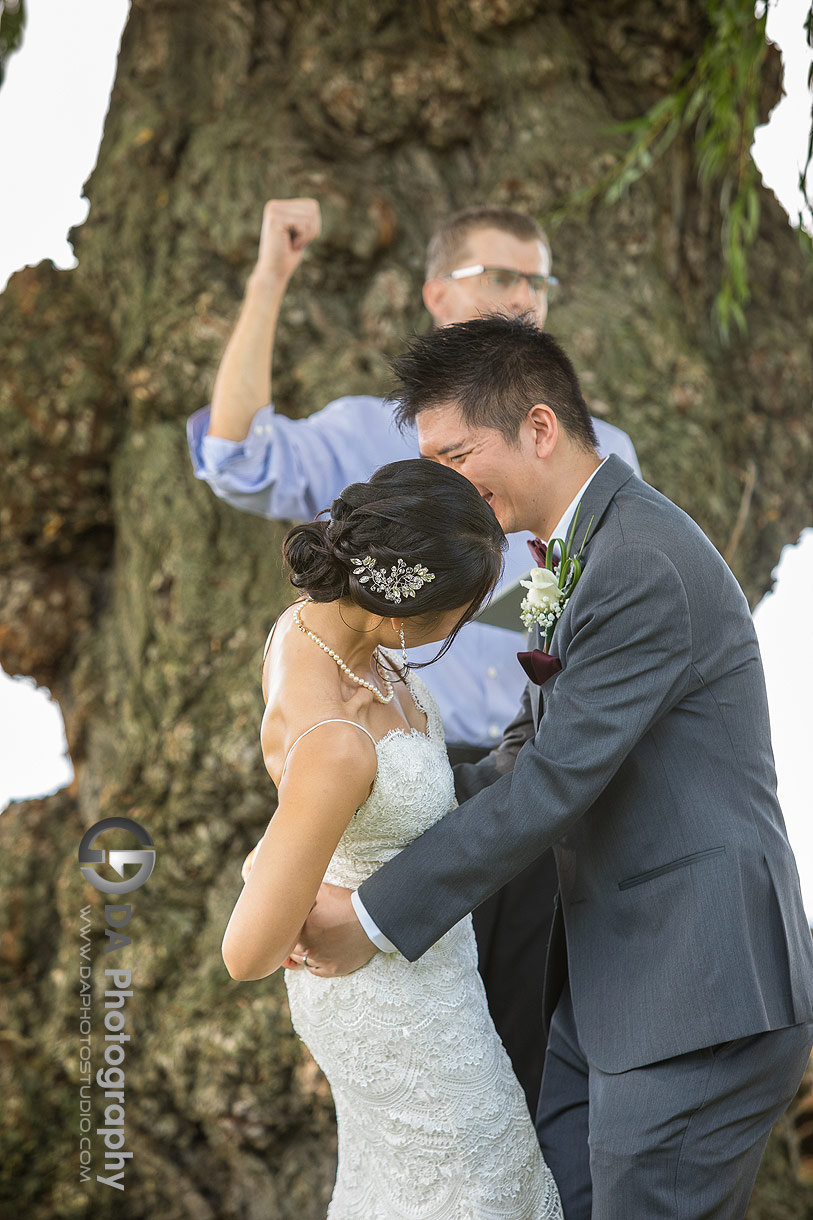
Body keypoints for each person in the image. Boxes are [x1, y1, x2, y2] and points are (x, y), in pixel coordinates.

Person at [291, 316, 813, 1220]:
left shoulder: (636, 562)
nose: (441, 488)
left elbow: (552, 786)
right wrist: (374, 799)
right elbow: (522, 753)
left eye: (456, 456)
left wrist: (372, 915)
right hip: (609, 991)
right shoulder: (571, 555)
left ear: (538, 427)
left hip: (698, 994)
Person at [189, 198, 640, 1108]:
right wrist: (270, 274)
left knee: (519, 1060)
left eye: (537, 279)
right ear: (438, 292)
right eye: (498, 275)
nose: (522, 296)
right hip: (391, 788)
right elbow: (235, 458)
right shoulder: (366, 434)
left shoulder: (594, 454)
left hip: (530, 787)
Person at [221, 458, 563, 1220]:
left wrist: (281, 859)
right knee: (480, 1189)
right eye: (463, 616)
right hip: (396, 1009)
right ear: (408, 612)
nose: (465, 628)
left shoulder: (313, 627)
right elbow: (246, 953)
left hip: (435, 978)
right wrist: (289, 887)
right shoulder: (339, 740)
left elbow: (302, 828)